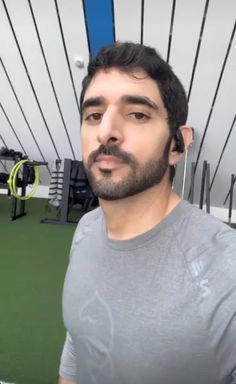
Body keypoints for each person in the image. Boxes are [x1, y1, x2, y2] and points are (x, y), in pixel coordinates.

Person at [58, 42, 236, 384]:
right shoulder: (85, 228)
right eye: (93, 115)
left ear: (177, 145)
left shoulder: (226, 269)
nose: (105, 131)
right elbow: (79, 341)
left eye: (137, 114)